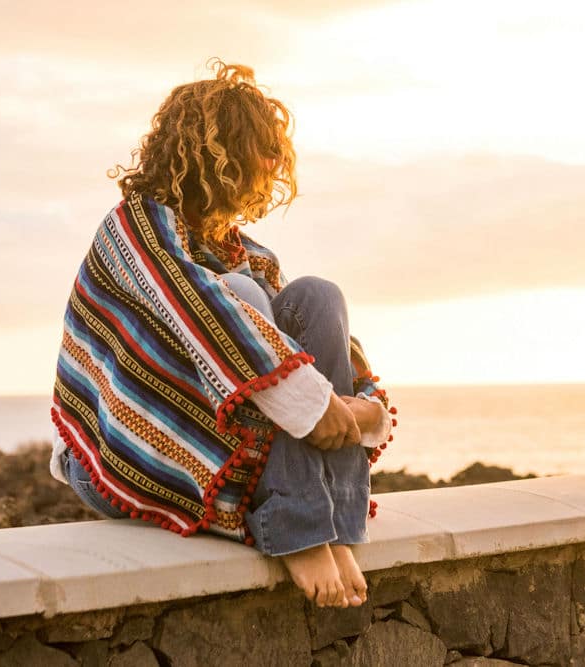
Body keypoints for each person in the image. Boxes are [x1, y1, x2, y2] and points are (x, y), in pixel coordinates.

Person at [48, 59, 394, 609]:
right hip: (119, 458)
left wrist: (369, 407)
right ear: (220, 155)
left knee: (317, 295)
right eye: (260, 146)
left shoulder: (248, 253)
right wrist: (321, 405)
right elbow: (210, 319)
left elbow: (321, 358)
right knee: (245, 302)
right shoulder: (134, 228)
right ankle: (302, 530)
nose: (274, 162)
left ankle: (334, 521)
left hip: (213, 458)